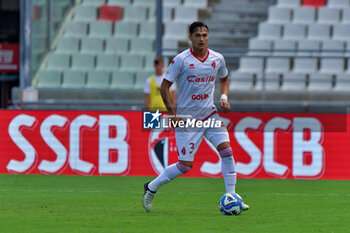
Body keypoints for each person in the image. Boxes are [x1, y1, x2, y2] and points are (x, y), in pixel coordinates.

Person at [142, 21, 249, 212]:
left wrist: (223, 98)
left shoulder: (217, 59)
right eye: (198, 35)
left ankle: (231, 196)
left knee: (227, 152)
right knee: (185, 166)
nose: (202, 39)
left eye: (205, 35)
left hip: (210, 115)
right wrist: (172, 114)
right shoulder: (181, 60)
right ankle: (151, 187)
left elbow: (224, 79)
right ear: (190, 37)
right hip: (187, 119)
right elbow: (165, 86)